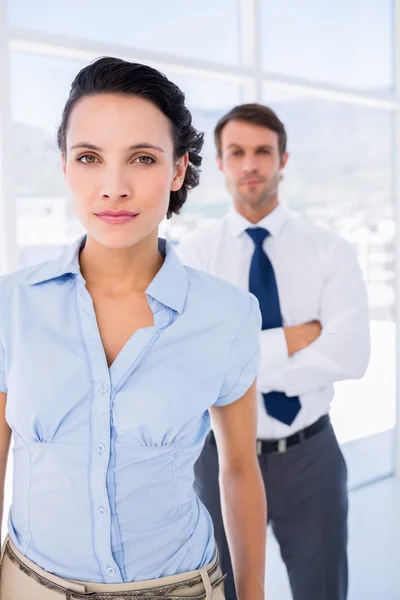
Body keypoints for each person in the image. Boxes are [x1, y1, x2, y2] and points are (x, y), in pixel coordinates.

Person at [0, 60, 267, 600]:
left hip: (181, 587)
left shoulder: (229, 316)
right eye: (90, 158)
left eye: (142, 158)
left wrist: (254, 594)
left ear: (176, 170)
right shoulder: (11, 305)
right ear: (66, 168)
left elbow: (239, 469)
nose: (114, 187)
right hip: (29, 586)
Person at [177, 103, 371, 600]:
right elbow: (194, 365)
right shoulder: (194, 256)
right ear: (219, 163)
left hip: (310, 457)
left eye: (263, 151)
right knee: (224, 592)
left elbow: (349, 355)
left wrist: (238, 365)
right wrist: (291, 339)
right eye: (236, 152)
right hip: (217, 459)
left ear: (283, 158)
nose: (250, 165)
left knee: (323, 589)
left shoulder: (331, 251)